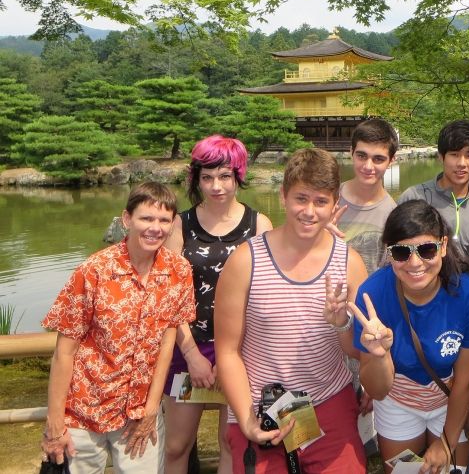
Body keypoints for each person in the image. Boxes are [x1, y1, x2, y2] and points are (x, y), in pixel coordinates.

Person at [215, 148, 368, 474]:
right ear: (283, 197)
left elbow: (360, 350)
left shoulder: (349, 263)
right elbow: (227, 351)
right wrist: (246, 419)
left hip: (327, 399)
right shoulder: (245, 261)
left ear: (334, 204)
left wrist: (343, 324)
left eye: (321, 201)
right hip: (260, 405)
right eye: (301, 198)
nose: (309, 211)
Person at [40, 182, 196, 474]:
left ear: (173, 223)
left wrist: (151, 408)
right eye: (146, 218)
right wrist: (55, 423)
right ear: (127, 219)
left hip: (139, 413)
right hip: (85, 411)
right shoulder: (94, 270)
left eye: (164, 220)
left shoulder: (179, 271)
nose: (155, 228)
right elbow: (64, 351)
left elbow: (167, 340)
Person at [162, 135, 273, 473]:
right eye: (207, 177)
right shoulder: (180, 224)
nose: (216, 186)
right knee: (177, 445)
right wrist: (193, 355)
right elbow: (169, 296)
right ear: (196, 177)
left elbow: (264, 294)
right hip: (187, 347)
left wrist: (233, 358)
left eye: (225, 176)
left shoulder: (259, 224)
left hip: (239, 351)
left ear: (238, 175)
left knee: (231, 442)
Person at [349, 200, 469, 473]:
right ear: (388, 252)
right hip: (397, 398)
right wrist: (378, 355)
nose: (415, 263)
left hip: (450, 398)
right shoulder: (372, 295)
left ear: (443, 246)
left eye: (426, 250)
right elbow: (377, 390)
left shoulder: (468, 294)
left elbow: (465, 379)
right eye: (401, 252)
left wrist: (446, 442)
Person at [398, 119, 469, 278]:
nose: (461, 163)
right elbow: (396, 252)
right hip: (424, 295)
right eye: (454, 155)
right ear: (441, 157)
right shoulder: (414, 197)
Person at [337, 118, 399, 273]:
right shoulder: (326, 199)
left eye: (378, 159)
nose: (368, 166)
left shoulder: (393, 215)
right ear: (351, 152)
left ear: (391, 160)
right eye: (361, 156)